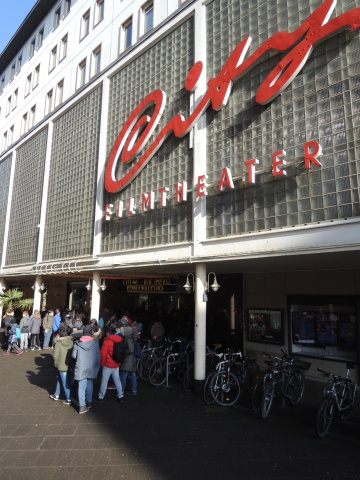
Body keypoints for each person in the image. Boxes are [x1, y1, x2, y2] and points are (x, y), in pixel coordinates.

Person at [72, 324, 100, 414]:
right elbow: (98, 357)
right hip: (91, 366)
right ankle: (89, 402)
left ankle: (82, 406)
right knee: (90, 384)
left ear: (83, 333)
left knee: (81, 386)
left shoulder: (78, 343)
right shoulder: (95, 343)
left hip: (81, 366)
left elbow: (73, 356)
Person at [97, 325, 124, 404]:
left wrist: (102, 364)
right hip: (117, 364)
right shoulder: (120, 340)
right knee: (117, 380)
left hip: (108, 365)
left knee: (104, 381)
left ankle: (101, 396)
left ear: (108, 333)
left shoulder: (107, 341)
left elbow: (103, 355)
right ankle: (121, 396)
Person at [49, 326, 74, 404]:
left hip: (61, 365)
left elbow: (55, 356)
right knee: (60, 379)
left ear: (59, 334)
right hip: (69, 364)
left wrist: (55, 365)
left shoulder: (58, 344)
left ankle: (68, 399)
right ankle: (56, 395)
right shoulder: (71, 342)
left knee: (65, 383)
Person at [120, 320, 137, 396]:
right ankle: (134, 390)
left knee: (123, 374)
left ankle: (121, 391)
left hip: (128, 360)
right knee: (133, 374)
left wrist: (124, 351)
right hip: (132, 360)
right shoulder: (131, 337)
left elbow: (130, 349)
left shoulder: (128, 339)